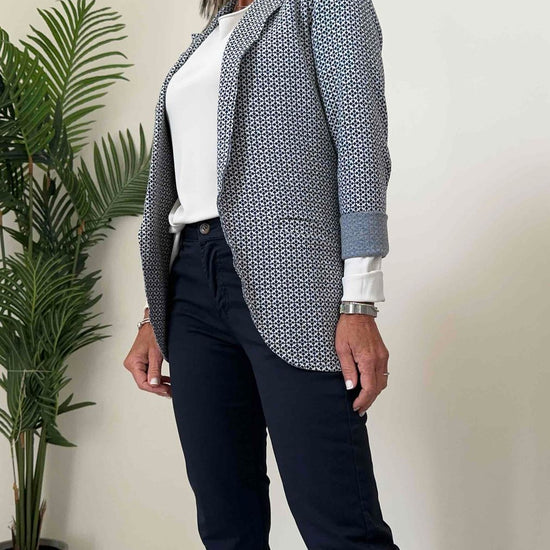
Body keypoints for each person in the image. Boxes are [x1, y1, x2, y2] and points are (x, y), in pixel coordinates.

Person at [124, 0, 400, 547]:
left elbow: (362, 149)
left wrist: (359, 300)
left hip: (293, 280)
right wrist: (155, 314)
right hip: (190, 285)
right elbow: (190, 183)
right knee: (226, 524)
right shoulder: (208, 36)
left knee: (340, 526)